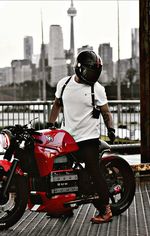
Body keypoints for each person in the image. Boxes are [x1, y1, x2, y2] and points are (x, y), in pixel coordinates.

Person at [48, 50, 115, 224]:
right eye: (90, 72)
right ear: (79, 68)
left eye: (95, 73)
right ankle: (65, 206)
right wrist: (50, 124)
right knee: (62, 172)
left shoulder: (97, 88)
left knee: (93, 171)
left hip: (88, 138)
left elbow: (106, 112)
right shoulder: (64, 84)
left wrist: (111, 129)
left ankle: (105, 210)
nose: (93, 76)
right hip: (66, 138)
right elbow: (57, 105)